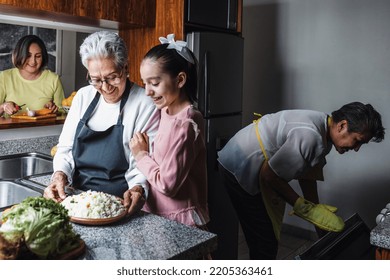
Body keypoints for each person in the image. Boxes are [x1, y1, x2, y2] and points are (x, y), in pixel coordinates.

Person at [217, 102, 385, 259]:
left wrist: (319, 223)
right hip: (238, 166)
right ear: (342, 125)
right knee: (264, 242)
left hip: (245, 161)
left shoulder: (323, 126)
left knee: (265, 239)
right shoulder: (311, 136)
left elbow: (307, 176)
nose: (356, 149)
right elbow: (269, 176)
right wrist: (306, 209)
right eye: (357, 141)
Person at [43, 31, 159, 216]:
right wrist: (60, 175)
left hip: (120, 204)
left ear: (125, 68)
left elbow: (142, 161)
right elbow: (65, 149)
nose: (105, 87)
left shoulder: (144, 103)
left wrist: (138, 188)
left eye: (112, 77)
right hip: (79, 201)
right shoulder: (83, 96)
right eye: (96, 80)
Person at [129, 34, 209, 228]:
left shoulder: (187, 123)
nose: (147, 91)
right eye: (144, 82)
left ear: (180, 79)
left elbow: (168, 185)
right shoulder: (165, 111)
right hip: (159, 213)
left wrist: (141, 155)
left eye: (154, 83)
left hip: (179, 220)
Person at [0, 34, 64, 116]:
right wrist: (3, 106)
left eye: (38, 56)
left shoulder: (53, 79)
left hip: (45, 128)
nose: (33, 61)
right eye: (28, 56)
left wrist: (54, 110)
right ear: (19, 55)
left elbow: (63, 114)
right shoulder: (5, 77)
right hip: (12, 129)